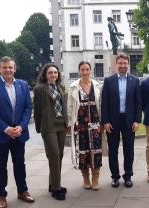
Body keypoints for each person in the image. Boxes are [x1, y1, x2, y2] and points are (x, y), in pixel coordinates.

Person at [0, 56, 34, 208]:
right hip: (0, 134)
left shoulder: (23, 85)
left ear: (15, 69)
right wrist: (6, 129)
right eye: (5, 67)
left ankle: (22, 191)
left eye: (10, 67)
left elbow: (27, 108)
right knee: (0, 166)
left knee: (20, 164)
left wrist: (21, 127)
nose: (8, 70)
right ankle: (1, 196)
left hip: (19, 133)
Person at [101, 53, 141, 188]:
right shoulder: (108, 81)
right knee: (113, 150)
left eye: (125, 63)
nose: (123, 66)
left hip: (129, 120)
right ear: (116, 64)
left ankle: (128, 176)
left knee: (129, 150)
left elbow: (138, 103)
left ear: (128, 65)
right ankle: (115, 177)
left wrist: (137, 120)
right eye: (120, 63)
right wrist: (105, 121)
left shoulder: (135, 81)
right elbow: (104, 103)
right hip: (113, 121)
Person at [33, 63, 68, 200]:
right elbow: (37, 109)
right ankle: (56, 189)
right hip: (48, 126)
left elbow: (64, 106)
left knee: (59, 156)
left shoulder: (61, 87)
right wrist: (38, 126)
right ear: (45, 74)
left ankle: (53, 183)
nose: (53, 75)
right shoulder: (40, 89)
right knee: (53, 155)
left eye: (55, 72)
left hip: (61, 125)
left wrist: (67, 122)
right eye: (50, 73)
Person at [67, 61, 104, 191]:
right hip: (80, 124)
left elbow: (101, 105)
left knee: (96, 151)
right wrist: (70, 123)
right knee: (82, 152)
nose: (85, 72)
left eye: (87, 69)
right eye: (82, 69)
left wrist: (102, 122)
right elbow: (70, 107)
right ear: (79, 71)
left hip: (95, 123)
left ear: (91, 70)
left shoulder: (97, 85)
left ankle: (95, 178)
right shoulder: (73, 86)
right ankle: (86, 178)